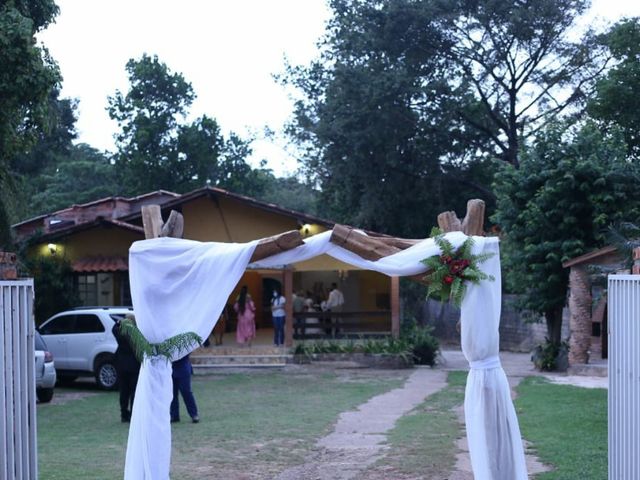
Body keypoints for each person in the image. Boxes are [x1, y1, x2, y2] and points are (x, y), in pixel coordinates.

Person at [112, 314, 141, 423]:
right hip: (134, 366)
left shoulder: (120, 333)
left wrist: (119, 322)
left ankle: (124, 414)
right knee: (134, 391)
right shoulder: (136, 333)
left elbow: (113, 329)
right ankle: (134, 414)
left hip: (121, 366)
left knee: (124, 391)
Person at [170, 354, 199, 423]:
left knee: (186, 392)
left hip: (183, 368)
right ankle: (174, 415)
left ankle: (194, 415)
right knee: (172, 394)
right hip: (172, 369)